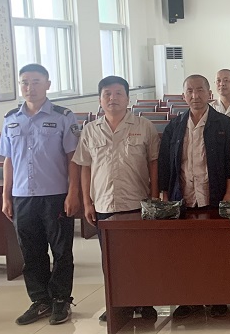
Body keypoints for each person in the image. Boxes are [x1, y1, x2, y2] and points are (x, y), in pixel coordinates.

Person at [0, 64, 80, 326]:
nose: (29, 87)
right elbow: (8, 160)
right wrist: (6, 195)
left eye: (35, 82)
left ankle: (61, 299)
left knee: (61, 251)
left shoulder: (63, 116)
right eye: (24, 82)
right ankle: (40, 300)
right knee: (31, 252)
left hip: (55, 195)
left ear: (47, 84)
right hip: (22, 196)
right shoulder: (11, 118)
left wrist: (73, 192)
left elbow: (73, 158)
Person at [74, 75, 160, 322]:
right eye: (107, 94)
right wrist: (87, 202)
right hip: (104, 203)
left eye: (118, 93)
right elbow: (85, 167)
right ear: (100, 99)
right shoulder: (90, 130)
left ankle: (144, 301)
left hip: (137, 202)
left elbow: (154, 163)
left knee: (140, 257)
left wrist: (154, 197)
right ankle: (117, 303)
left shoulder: (144, 126)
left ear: (128, 98)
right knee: (110, 260)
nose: (113, 98)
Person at [157, 75, 230, 319]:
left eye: (200, 90)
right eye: (190, 91)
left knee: (215, 251)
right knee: (185, 252)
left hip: (213, 196)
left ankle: (217, 298)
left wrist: (229, 192)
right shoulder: (174, 126)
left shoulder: (223, 123)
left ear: (209, 93)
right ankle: (188, 299)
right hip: (184, 198)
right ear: (183, 96)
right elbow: (165, 164)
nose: (195, 95)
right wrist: (165, 194)